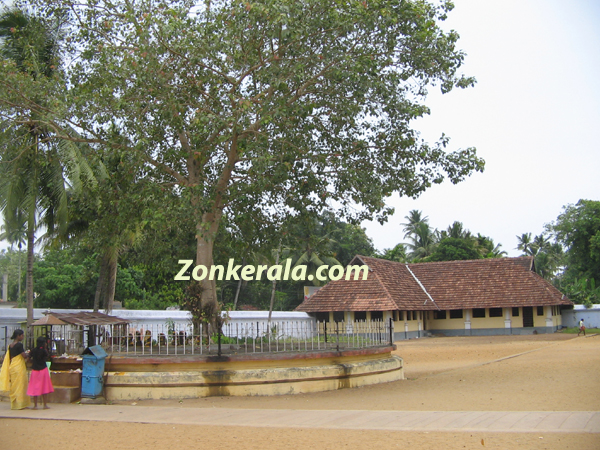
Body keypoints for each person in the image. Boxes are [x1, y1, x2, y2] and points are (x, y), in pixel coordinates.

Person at [0, 329, 31, 410]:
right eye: (22, 335)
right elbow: (24, 356)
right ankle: (20, 404)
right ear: (18, 336)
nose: (23, 337)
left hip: (12, 366)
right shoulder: (19, 345)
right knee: (20, 385)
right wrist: (29, 355)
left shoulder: (10, 345)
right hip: (18, 366)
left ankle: (14, 404)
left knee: (14, 385)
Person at [27, 336, 54, 409]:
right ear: (43, 343)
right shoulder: (44, 351)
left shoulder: (33, 350)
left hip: (35, 370)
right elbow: (48, 358)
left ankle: (35, 405)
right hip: (43, 370)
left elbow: (28, 359)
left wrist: (34, 361)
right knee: (44, 387)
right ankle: (45, 405)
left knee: (34, 387)